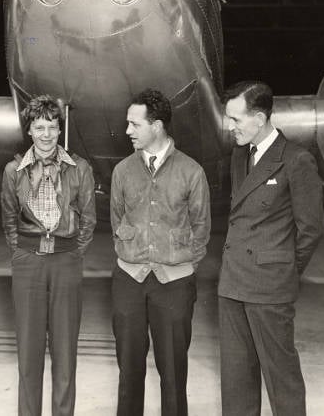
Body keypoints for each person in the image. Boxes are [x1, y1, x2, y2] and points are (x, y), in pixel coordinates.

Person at [219, 81, 324, 416]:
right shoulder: (240, 156)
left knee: (282, 380)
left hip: (269, 288)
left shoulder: (295, 160)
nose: (229, 126)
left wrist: (282, 271)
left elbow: (312, 228)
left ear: (261, 117)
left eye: (236, 119)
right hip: (233, 282)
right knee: (236, 380)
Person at [110, 88, 211, 416]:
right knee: (129, 372)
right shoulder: (122, 171)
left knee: (173, 375)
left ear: (157, 126)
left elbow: (202, 228)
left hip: (174, 283)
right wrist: (133, 253)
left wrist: (179, 264)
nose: (127, 131)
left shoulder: (191, 171)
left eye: (134, 124)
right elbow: (116, 219)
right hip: (129, 279)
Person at [0, 95, 96, 416]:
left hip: (66, 262)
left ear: (59, 129)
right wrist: (22, 254)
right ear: (29, 130)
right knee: (28, 355)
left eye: (52, 127)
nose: (46, 134)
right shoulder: (14, 170)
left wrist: (71, 254)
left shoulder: (78, 168)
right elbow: (9, 219)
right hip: (28, 262)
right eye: (39, 127)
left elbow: (88, 219)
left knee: (65, 354)